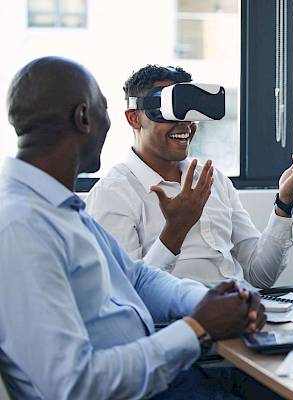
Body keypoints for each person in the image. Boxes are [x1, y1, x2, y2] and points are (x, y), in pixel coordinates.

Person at [0, 56, 266, 399]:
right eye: (105, 110)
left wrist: (210, 300)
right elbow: (74, 385)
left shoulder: (59, 206)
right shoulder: (22, 225)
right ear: (84, 118)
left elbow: (135, 278)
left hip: (158, 376)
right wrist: (198, 327)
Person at [86, 64, 293, 289]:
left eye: (190, 110)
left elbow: (261, 276)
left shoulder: (213, 180)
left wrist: (284, 203)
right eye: (171, 111)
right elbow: (127, 295)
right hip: (179, 322)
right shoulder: (112, 194)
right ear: (134, 118)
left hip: (242, 314)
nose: (185, 124)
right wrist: (176, 230)